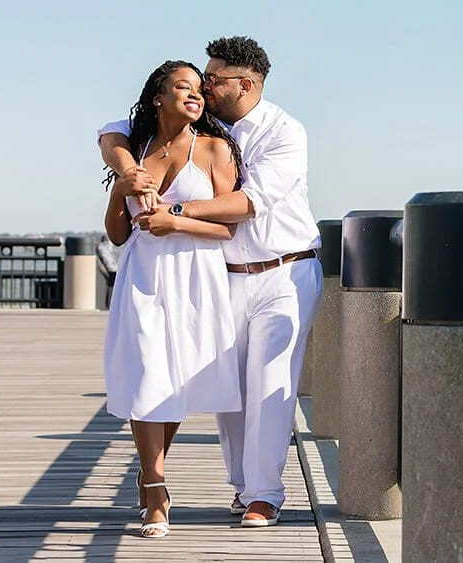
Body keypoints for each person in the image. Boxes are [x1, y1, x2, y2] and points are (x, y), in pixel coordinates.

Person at [98, 37, 322, 528]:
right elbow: (114, 132)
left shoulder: (284, 132)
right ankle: (243, 486)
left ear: (245, 84)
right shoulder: (201, 124)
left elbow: (246, 205)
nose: (206, 85)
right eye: (199, 79)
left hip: (283, 269)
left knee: (270, 381)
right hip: (223, 277)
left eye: (213, 78)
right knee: (230, 391)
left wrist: (172, 211)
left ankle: (265, 494)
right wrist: (129, 173)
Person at [102, 60, 244, 538]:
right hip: (142, 274)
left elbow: (227, 227)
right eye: (182, 87)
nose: (195, 95)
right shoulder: (135, 148)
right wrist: (118, 192)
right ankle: (156, 487)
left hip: (195, 277)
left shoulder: (215, 148)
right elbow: (117, 234)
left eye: (199, 90)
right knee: (146, 370)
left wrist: (175, 221)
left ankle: (150, 476)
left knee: (174, 379)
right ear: (158, 97)